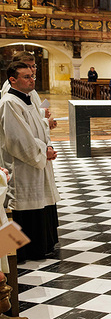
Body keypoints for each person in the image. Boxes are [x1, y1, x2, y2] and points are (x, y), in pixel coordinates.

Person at [0, 61, 60, 263]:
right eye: (26, 77)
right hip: (21, 165)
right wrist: (43, 151)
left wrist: (47, 147)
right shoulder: (10, 102)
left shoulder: (26, 99)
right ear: (12, 80)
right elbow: (17, 139)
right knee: (22, 206)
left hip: (35, 162)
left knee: (37, 204)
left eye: (32, 76)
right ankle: (20, 254)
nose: (31, 79)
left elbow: (39, 128)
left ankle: (38, 249)